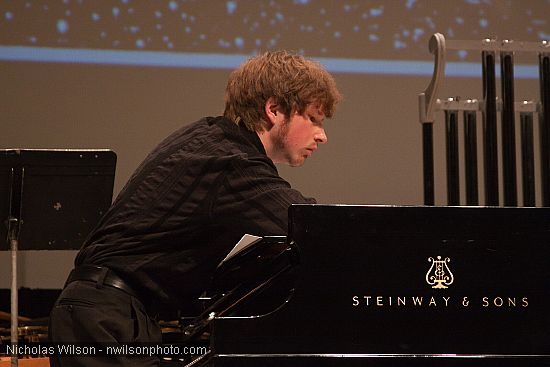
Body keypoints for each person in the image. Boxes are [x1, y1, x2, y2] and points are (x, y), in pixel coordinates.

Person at [48, 50, 342, 366]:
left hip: (104, 312)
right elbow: (313, 225)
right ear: (274, 109)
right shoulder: (232, 162)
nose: (322, 135)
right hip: (107, 319)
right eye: (313, 118)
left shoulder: (211, 138)